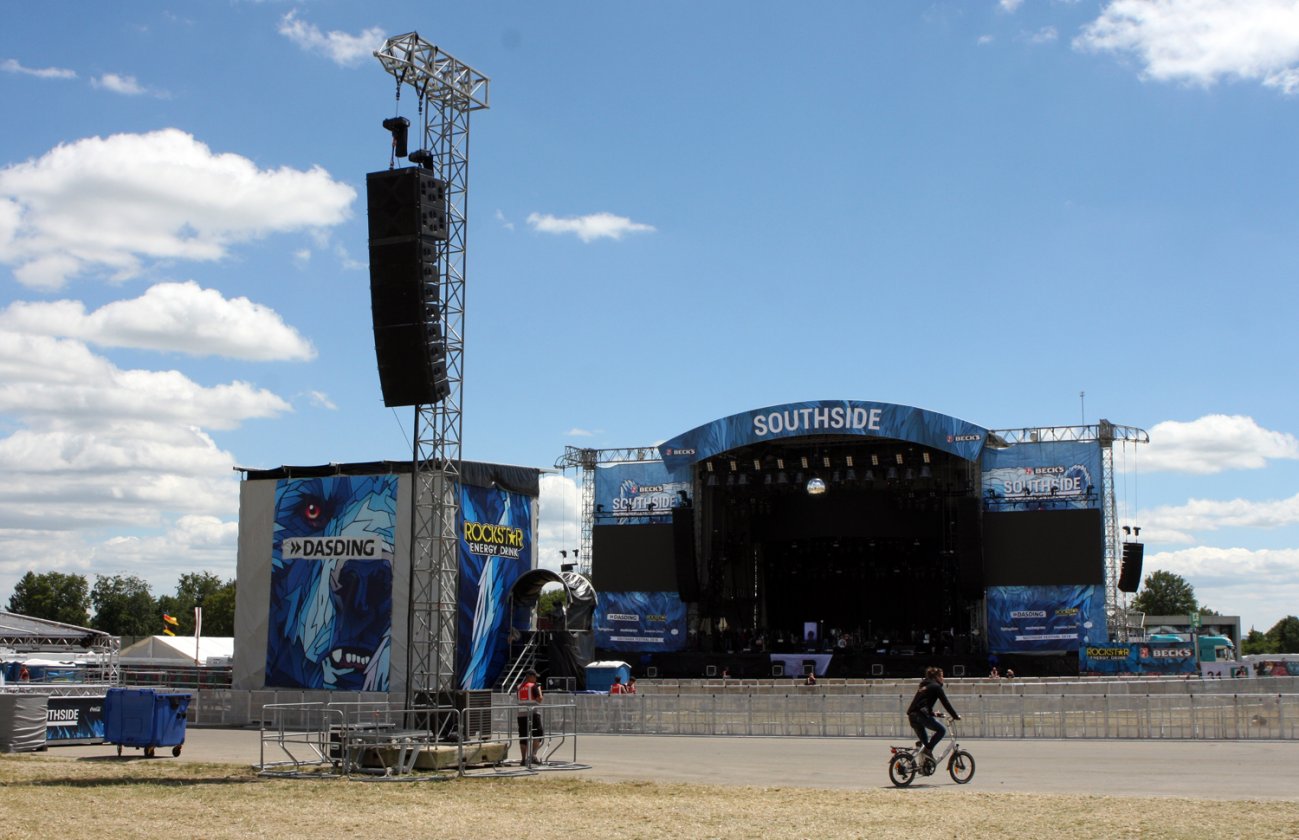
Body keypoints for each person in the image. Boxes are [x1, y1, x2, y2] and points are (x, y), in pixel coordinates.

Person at [907, 666, 960, 764]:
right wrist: (955, 716)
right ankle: (928, 751)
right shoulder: (936, 687)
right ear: (937, 677)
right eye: (942, 676)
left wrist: (933, 713)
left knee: (925, 743)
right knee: (941, 730)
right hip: (921, 716)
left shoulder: (924, 686)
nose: (943, 679)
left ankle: (922, 766)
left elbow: (922, 703)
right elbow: (946, 703)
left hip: (912, 716)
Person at [516, 669, 544, 765]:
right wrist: (539, 690)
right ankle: (533, 756)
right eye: (535, 676)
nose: (536, 678)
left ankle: (523, 759)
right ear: (530, 676)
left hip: (521, 715)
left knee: (523, 737)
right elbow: (539, 699)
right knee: (538, 734)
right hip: (533, 714)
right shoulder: (533, 686)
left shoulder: (519, 687)